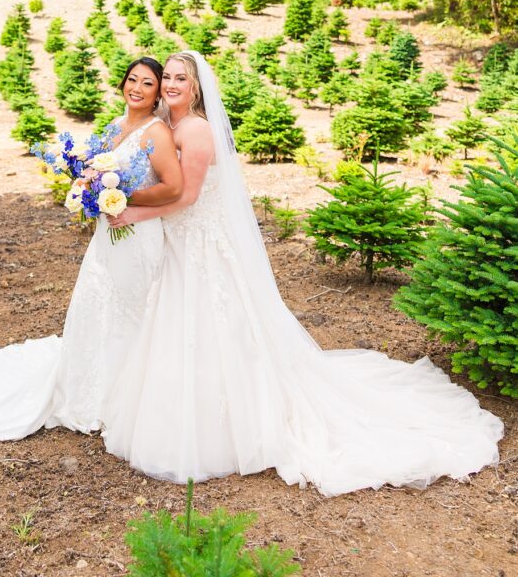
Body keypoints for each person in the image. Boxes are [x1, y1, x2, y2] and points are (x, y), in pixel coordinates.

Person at [104, 50, 504, 496]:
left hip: (202, 244)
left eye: (182, 78)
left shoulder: (196, 130)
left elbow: (189, 197)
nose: (172, 84)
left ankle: (236, 425)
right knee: (177, 324)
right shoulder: (167, 123)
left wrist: (132, 211)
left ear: (196, 87)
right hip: (179, 241)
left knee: (215, 324)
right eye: (169, 77)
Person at [0, 57, 182, 442]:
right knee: (96, 306)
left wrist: (123, 197)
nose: (137, 88)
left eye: (147, 83)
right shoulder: (115, 125)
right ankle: (88, 393)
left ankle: (125, 401)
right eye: (132, 80)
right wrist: (89, 187)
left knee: (129, 311)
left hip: (137, 235)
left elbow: (173, 187)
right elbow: (95, 171)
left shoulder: (157, 132)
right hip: (107, 234)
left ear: (158, 94)